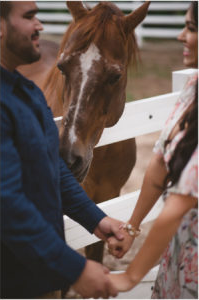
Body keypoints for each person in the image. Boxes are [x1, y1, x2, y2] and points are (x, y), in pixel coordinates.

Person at [0, 1, 125, 299]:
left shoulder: (27, 92)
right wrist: (75, 268)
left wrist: (95, 218)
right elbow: (6, 203)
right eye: (29, 17)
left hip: (40, 277)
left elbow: (52, 166)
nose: (40, 27)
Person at [107, 1, 198, 299]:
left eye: (191, 28)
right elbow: (161, 160)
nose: (180, 36)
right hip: (179, 247)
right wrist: (132, 228)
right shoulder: (193, 89)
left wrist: (130, 278)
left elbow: (181, 201)